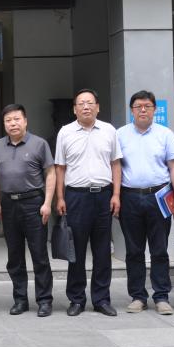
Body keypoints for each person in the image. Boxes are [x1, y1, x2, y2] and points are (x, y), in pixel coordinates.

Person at [54, 88, 122, 317]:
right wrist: (60, 197)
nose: (86, 107)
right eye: (81, 103)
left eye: (90, 102)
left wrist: (116, 194)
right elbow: (60, 168)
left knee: (102, 250)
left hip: (103, 195)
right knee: (77, 250)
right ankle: (76, 299)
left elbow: (115, 164)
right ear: (74, 109)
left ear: (97, 107)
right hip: (76, 197)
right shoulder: (65, 132)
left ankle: (101, 299)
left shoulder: (109, 131)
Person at [116, 91, 174, 315]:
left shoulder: (165, 134)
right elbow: (115, 168)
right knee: (134, 250)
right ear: (132, 110)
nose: (143, 110)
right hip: (129, 197)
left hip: (160, 197)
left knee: (159, 249)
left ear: (154, 109)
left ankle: (161, 296)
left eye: (147, 106)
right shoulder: (120, 135)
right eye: (138, 106)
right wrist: (115, 196)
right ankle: (138, 296)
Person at [0, 103, 56, 317]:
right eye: (8, 120)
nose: (13, 123)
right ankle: (20, 300)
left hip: (34, 203)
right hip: (9, 204)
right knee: (14, 256)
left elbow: (51, 173)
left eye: (17, 119)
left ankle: (44, 300)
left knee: (39, 254)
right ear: (4, 124)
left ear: (25, 121)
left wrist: (47, 203)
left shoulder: (39, 144)